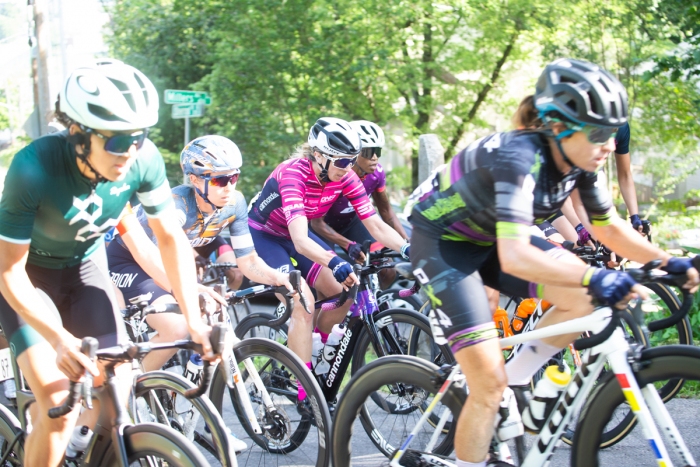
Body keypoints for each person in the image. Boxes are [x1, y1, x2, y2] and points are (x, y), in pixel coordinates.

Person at [407, 58, 699, 467]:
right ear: (558, 126)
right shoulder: (518, 157)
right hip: (442, 243)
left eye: (614, 133)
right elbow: (516, 255)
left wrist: (670, 261)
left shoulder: (582, 161)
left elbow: (609, 228)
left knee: (582, 298)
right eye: (599, 133)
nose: (610, 145)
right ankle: (493, 396)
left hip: (491, 236)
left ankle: (519, 379)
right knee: (487, 386)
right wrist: (595, 274)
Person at [0, 59, 212, 467]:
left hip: (83, 271)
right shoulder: (33, 169)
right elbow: (8, 271)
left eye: (139, 137)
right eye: (117, 141)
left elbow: (169, 239)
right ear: (79, 135)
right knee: (58, 404)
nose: (130, 151)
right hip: (28, 278)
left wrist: (195, 319)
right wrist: (59, 339)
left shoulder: (142, 160)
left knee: (116, 391)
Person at [247, 117, 408, 411]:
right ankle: (304, 388)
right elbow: (299, 240)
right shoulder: (293, 174)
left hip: (297, 234)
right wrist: (335, 260)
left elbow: (375, 224)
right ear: (318, 155)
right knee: (304, 302)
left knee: (345, 291)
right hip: (267, 236)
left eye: (350, 161)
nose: (348, 168)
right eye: (342, 162)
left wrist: (408, 247)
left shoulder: (345, 176)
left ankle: (315, 349)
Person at [310, 120, 408, 288]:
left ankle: (368, 308)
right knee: (329, 284)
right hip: (321, 227)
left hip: (351, 222)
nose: (375, 158)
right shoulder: (333, 175)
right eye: (369, 152)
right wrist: (346, 244)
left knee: (387, 270)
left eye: (378, 151)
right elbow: (316, 223)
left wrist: (406, 245)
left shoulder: (377, 174)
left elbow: (386, 211)